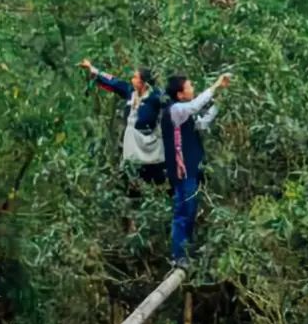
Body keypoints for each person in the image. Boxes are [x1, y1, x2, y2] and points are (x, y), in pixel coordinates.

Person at [161, 72, 230, 269]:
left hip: (192, 169)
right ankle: (177, 256)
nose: (193, 89)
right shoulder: (175, 110)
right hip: (183, 172)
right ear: (180, 94)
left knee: (190, 211)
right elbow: (194, 106)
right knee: (183, 212)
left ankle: (185, 253)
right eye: (189, 87)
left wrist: (220, 102)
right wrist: (216, 86)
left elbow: (202, 122)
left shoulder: (184, 115)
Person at [78, 58, 166, 184]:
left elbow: (173, 105)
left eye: (135, 78)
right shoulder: (130, 91)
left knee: (155, 177)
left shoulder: (155, 96)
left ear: (144, 82)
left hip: (150, 145)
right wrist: (92, 69)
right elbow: (113, 82)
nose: (132, 80)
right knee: (132, 179)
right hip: (133, 148)